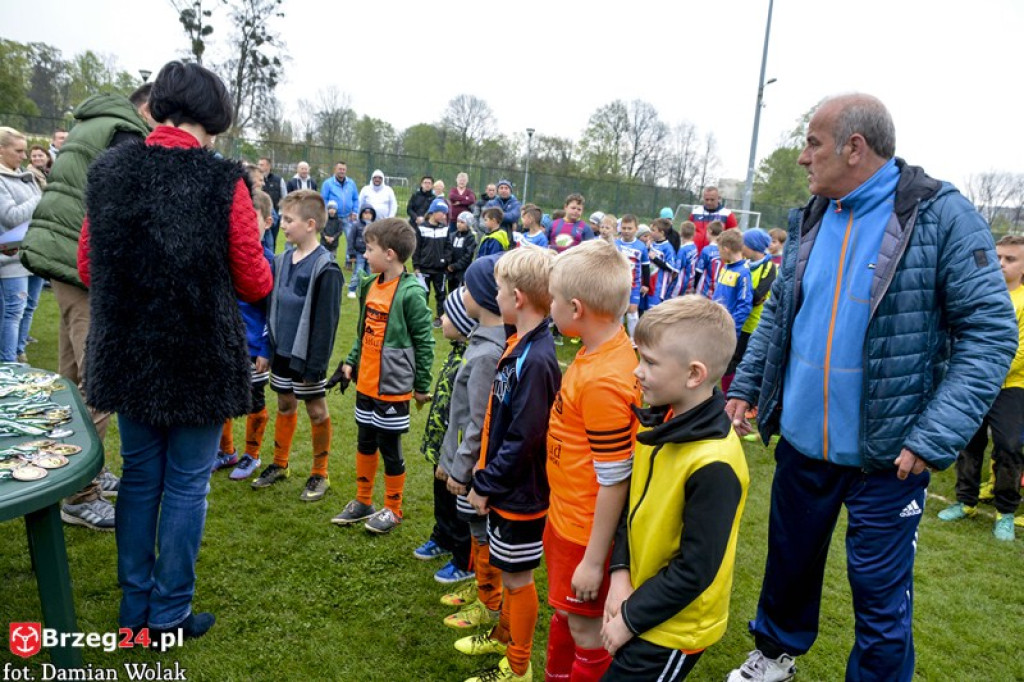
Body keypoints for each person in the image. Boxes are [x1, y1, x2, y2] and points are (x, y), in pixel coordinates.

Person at [724, 93, 1018, 682]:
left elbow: (989, 332)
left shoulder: (942, 214)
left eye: (813, 142)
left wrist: (934, 435)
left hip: (892, 460)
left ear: (854, 148)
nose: (804, 157)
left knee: (882, 600)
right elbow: (783, 310)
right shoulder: (812, 212)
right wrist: (750, 382)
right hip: (804, 447)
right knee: (788, 567)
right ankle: (776, 655)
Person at [77, 60, 273, 642]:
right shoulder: (222, 181)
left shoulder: (110, 169)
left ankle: (136, 609)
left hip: (129, 348)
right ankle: (166, 614)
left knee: (140, 479)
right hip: (197, 351)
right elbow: (256, 280)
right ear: (213, 116)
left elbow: (89, 264)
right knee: (186, 485)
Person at [23, 85, 153, 531]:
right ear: (150, 109)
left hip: (60, 260)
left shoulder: (92, 122)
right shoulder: (125, 134)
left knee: (70, 377)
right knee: (99, 381)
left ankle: (75, 472)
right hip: (84, 268)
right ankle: (80, 496)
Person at [602, 296, 749, 681]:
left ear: (694, 374)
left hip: (674, 628)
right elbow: (634, 508)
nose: (637, 371)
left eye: (650, 362)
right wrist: (620, 573)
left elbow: (696, 569)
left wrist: (629, 619)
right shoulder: (661, 421)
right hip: (642, 600)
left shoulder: (714, 463)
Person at [544, 239, 640, 681]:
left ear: (576, 309)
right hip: (567, 520)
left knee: (586, 630)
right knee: (567, 616)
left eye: (554, 299)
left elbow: (615, 479)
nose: (550, 306)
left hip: (584, 534)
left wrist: (594, 561)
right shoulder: (595, 352)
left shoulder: (605, 381)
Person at [463, 247, 561, 682]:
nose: (495, 296)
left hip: (521, 494)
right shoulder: (519, 343)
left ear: (517, 297)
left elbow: (524, 437)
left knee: (519, 580)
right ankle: (504, 639)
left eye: (500, 289)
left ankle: (518, 666)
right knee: (509, 572)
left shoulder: (537, 358)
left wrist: (485, 482)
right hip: (506, 487)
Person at [330, 218, 435, 534]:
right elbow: (363, 332)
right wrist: (350, 362)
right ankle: (363, 501)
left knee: (389, 446)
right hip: (366, 382)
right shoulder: (368, 284)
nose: (365, 253)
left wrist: (421, 386)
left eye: (370, 248)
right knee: (365, 440)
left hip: (393, 386)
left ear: (390, 254)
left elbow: (425, 341)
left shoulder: (411, 293)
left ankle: (393, 507)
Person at [250, 190, 343, 502]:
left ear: (311, 224)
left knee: (316, 410)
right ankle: (279, 463)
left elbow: (327, 324)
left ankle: (320, 473)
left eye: (289, 220)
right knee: (285, 405)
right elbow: (271, 309)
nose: (283, 225)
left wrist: (315, 366)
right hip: (281, 352)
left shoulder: (326, 268)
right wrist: (267, 349)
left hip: (308, 359)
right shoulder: (280, 260)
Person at [937, 234, 1024, 540]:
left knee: (1009, 446)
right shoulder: (981, 294)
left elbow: (1020, 350)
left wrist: (984, 369)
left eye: (1010, 259)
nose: (1001, 264)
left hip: (1010, 387)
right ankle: (965, 502)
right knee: (969, 442)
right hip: (972, 383)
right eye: (998, 256)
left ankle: (1005, 512)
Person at [437, 256, 507, 635]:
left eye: (466, 288)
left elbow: (479, 421)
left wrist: (460, 466)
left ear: (481, 297)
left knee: (481, 529)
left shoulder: (486, 355)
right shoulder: (481, 342)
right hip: (466, 461)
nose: (461, 294)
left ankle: (489, 601)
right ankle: (483, 588)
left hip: (475, 467)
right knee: (476, 528)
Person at [214, 189, 277, 480]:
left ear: (267, 222)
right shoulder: (225, 258)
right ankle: (227, 452)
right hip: (224, 344)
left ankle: (252, 454)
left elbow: (271, 314)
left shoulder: (269, 262)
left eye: (249, 220)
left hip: (253, 347)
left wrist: (265, 348)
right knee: (221, 396)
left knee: (254, 398)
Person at [415, 286, 476, 584]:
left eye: (448, 315)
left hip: (457, 449)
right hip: (441, 443)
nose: (441, 318)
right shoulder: (456, 353)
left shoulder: (472, 359)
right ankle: (442, 536)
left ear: (464, 324)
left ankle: (463, 556)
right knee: (441, 496)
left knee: (457, 502)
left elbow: (467, 412)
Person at [0, 127, 42, 365]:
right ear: (0, 150)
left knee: (29, 306)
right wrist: (39, 198)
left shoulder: (25, 175)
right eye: (18, 151)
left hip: (32, 252)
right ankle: (8, 365)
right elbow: (11, 216)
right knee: (13, 310)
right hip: (9, 256)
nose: (24, 156)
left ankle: (18, 351)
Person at [724, 228, 777, 395]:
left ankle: (747, 398)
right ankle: (729, 395)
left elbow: (757, 297)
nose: (741, 247)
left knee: (749, 362)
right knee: (731, 360)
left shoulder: (769, 267)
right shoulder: (743, 265)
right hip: (738, 320)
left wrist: (742, 293)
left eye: (744, 244)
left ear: (752, 246)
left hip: (754, 325)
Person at [412, 197, 452, 326]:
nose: (444, 216)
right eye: (442, 212)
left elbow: (448, 247)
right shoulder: (421, 228)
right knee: (423, 294)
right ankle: (422, 318)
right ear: (433, 212)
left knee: (441, 294)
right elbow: (416, 248)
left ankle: (440, 318)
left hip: (440, 270)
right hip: (424, 268)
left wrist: (445, 260)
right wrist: (416, 266)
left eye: (445, 213)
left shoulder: (445, 229)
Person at [711, 229, 752, 340]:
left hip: (726, 331)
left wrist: (732, 330)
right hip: (715, 324)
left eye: (719, 250)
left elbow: (744, 305)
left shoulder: (743, 273)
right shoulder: (725, 267)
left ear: (726, 249)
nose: (719, 254)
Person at [615, 214, 650, 340]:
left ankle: (634, 340)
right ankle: (618, 337)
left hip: (634, 285)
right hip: (618, 284)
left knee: (632, 311)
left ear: (636, 229)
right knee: (619, 311)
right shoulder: (615, 244)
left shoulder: (641, 246)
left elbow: (646, 267)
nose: (626, 231)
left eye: (629, 228)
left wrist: (646, 284)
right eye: (624, 228)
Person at [688, 186, 738, 255]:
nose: (709, 202)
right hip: (696, 255)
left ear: (718, 198)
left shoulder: (727, 214)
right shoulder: (695, 212)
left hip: (717, 257)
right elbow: (688, 233)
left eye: (712, 200)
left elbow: (735, 237)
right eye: (706, 199)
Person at [646, 218, 679, 307]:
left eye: (653, 230)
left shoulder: (668, 248)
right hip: (648, 281)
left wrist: (655, 259)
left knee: (653, 311)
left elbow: (670, 267)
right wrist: (647, 248)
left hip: (658, 286)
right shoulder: (652, 243)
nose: (650, 232)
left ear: (662, 233)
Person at [346, 205, 373, 298]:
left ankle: (367, 290)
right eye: (365, 213)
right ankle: (352, 290)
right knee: (358, 271)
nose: (368, 215)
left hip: (371, 254)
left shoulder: (374, 226)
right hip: (359, 253)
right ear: (361, 214)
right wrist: (352, 254)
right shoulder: (356, 225)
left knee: (369, 273)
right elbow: (350, 240)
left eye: (370, 213)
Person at [446, 211, 477, 291]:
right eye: (458, 221)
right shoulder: (453, 235)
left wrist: (455, 266)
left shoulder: (470, 238)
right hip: (451, 271)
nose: (459, 224)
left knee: (460, 292)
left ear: (468, 224)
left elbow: (468, 256)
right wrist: (448, 263)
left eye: (462, 222)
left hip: (462, 271)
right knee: (451, 291)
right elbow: (448, 250)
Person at [694, 220, 724, 298]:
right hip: (718, 289)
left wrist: (694, 287)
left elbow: (699, 271)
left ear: (710, 231)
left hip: (705, 288)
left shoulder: (706, 250)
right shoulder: (724, 250)